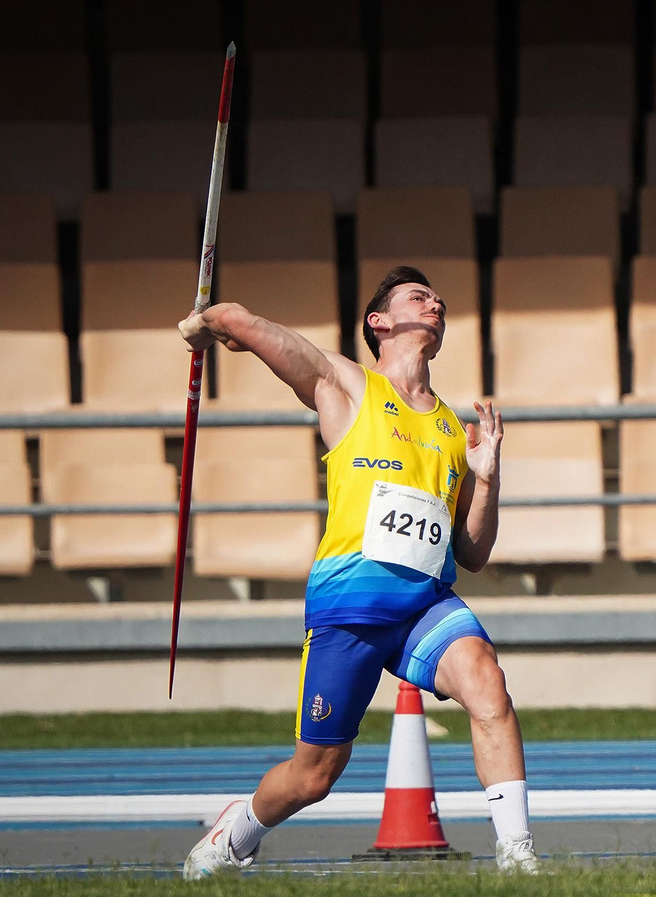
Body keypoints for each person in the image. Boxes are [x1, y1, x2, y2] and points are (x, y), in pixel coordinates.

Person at [177, 266, 539, 877]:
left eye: (439, 300)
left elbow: (472, 553)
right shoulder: (347, 386)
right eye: (418, 297)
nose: (436, 303)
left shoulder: (451, 427)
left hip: (424, 605)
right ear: (380, 321)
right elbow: (262, 334)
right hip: (349, 607)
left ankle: (517, 855)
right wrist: (212, 321)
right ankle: (237, 830)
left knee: (488, 685)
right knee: (314, 775)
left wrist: (487, 477)